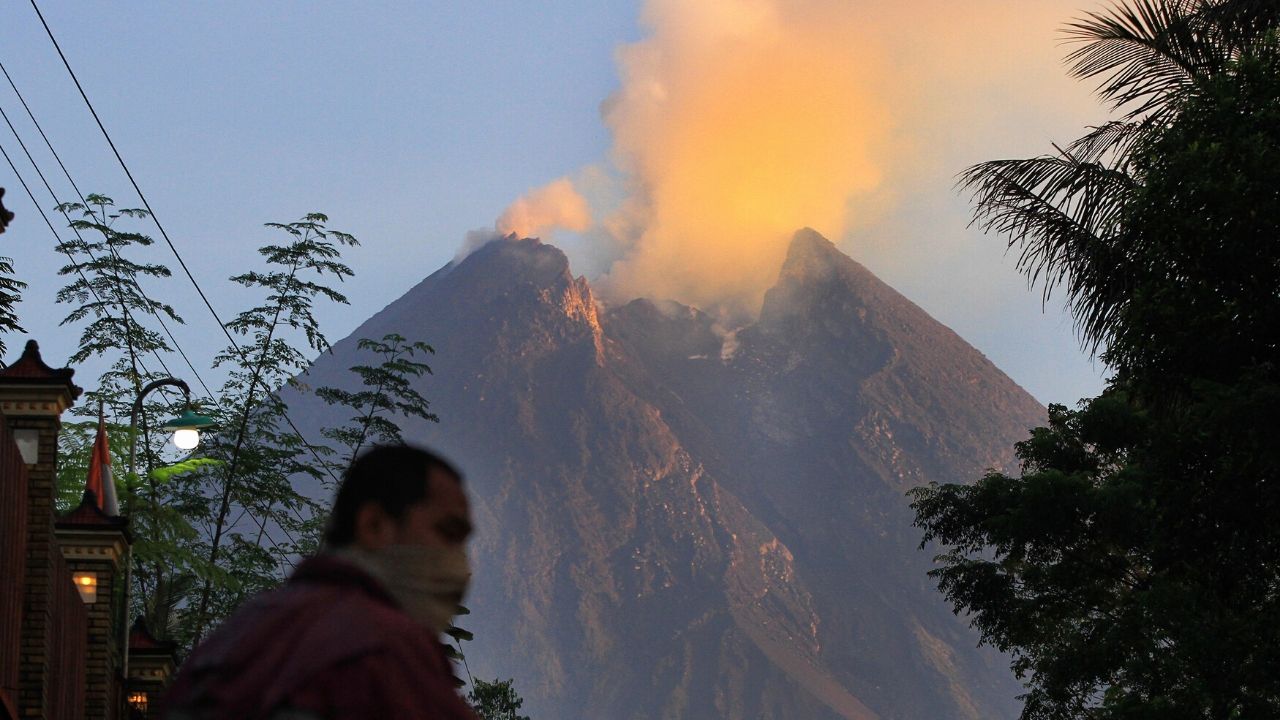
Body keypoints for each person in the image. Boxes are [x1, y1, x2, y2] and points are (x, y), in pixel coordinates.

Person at [164, 444, 479, 720]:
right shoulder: (385, 648)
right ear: (374, 525)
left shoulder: (234, 636)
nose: (460, 562)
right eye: (448, 533)